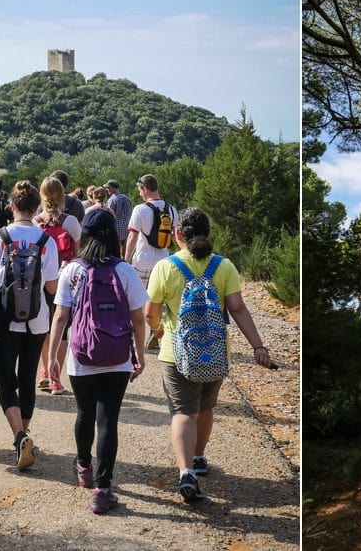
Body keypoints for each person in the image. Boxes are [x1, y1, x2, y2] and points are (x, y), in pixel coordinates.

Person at [144, 207, 273, 503]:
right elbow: (238, 309)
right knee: (205, 408)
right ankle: (199, 457)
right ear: (207, 233)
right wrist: (258, 346)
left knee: (183, 412)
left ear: (178, 235)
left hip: (177, 354)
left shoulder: (166, 267)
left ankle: (186, 472)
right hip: (215, 353)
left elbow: (151, 312)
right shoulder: (223, 266)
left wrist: (157, 331)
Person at [47, 208, 147, 514]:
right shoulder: (125, 270)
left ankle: (84, 466)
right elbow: (139, 319)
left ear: (86, 235)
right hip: (117, 358)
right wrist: (139, 355)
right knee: (108, 421)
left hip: (81, 357)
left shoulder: (72, 270)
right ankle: (103, 490)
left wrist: (51, 357)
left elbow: (61, 316)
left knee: (84, 413)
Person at [0, 180, 60, 471]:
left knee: (5, 378)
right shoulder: (46, 241)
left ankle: (18, 435)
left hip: (5, 321)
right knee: (27, 377)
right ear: (35, 208)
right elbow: (51, 285)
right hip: (37, 320)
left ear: (11, 206)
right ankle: (24, 434)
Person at [35, 176, 82, 395]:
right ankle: (56, 378)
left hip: (43, 280)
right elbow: (78, 254)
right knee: (61, 328)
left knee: (44, 326)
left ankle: (44, 371)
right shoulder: (70, 222)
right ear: (62, 195)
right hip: (66, 281)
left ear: (41, 195)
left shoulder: (36, 222)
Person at [125, 174, 178, 351]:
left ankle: (135, 339)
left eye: (140, 190)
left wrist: (125, 259)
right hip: (164, 262)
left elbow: (132, 236)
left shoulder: (140, 209)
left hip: (142, 261)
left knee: (136, 302)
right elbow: (176, 235)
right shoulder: (171, 209)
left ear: (145, 189)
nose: (139, 194)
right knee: (159, 302)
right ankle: (154, 332)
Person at [104, 180, 132, 257]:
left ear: (113, 188)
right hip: (127, 228)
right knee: (126, 253)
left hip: (116, 229)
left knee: (115, 252)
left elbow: (108, 215)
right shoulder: (126, 198)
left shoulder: (112, 200)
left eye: (108, 188)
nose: (107, 189)